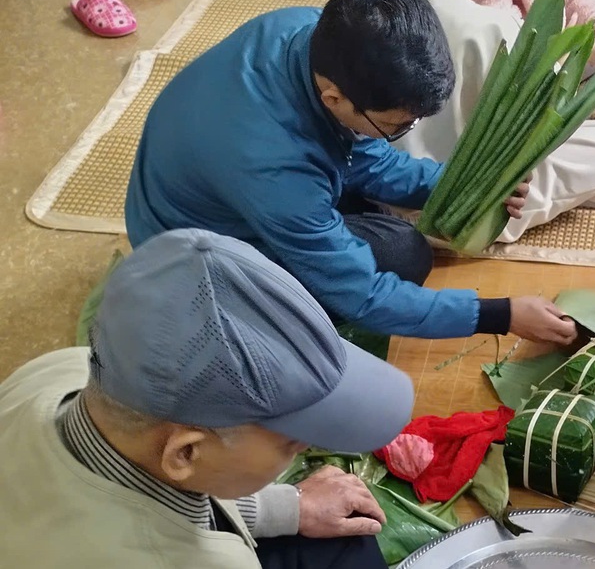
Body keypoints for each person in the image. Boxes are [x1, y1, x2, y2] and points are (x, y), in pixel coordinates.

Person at [125, 0, 577, 346]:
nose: (404, 134)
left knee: (395, 234)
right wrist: (500, 315)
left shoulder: (314, 34)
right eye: (396, 125)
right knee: (404, 256)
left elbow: (368, 158)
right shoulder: (278, 171)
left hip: (232, 187)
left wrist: (469, 189)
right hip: (190, 259)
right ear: (334, 97)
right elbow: (364, 296)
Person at [0, 229, 418, 568]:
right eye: (292, 441)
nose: (307, 447)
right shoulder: (196, 561)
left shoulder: (61, 371)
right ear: (184, 454)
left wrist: (286, 507)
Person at [384, 0, 595, 242]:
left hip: (385, 187)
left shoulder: (373, 7)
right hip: (461, 212)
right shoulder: (491, 27)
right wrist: (563, 65)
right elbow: (537, 130)